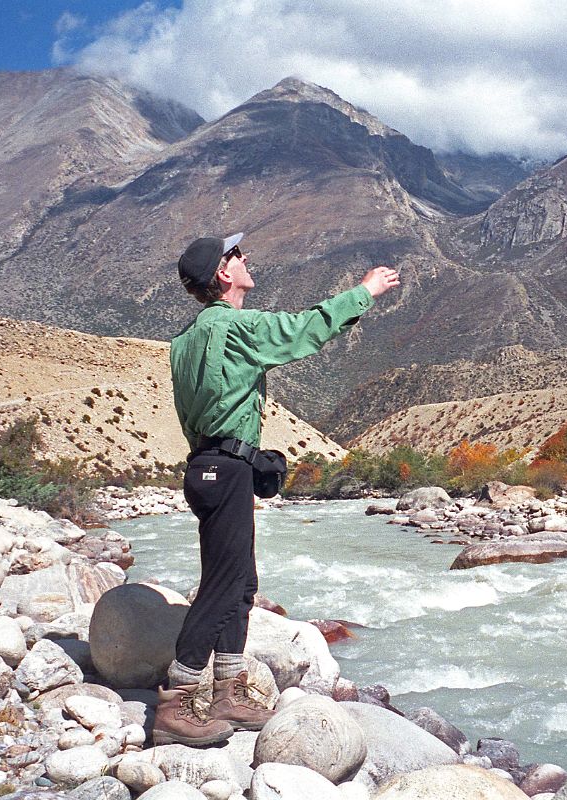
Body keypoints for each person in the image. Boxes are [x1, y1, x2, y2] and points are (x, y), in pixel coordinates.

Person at [153, 232, 400, 746]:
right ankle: (176, 703)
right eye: (237, 254)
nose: (246, 258)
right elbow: (302, 330)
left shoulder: (182, 343)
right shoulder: (237, 327)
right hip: (226, 470)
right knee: (224, 586)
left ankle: (228, 690)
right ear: (224, 273)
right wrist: (364, 292)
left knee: (240, 583)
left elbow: (190, 416)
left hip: (206, 466)